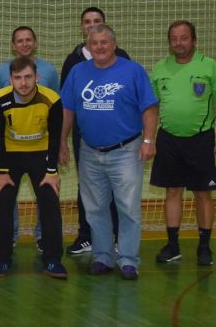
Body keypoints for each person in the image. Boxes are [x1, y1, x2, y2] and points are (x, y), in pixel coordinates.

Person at [60, 24, 158, 280]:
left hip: (126, 151)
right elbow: (67, 109)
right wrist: (61, 142)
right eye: (94, 43)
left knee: (127, 207)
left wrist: (149, 140)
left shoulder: (132, 70)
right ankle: (103, 257)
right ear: (88, 46)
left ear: (114, 44)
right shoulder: (78, 72)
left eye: (105, 42)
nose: (100, 47)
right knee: (94, 209)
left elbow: (149, 107)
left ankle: (128, 260)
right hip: (89, 152)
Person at [150, 20, 216, 267]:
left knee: (202, 193)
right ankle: (173, 246)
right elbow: (152, 107)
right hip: (168, 139)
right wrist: (148, 138)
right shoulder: (160, 68)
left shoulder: (209, 66)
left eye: (184, 37)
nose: (179, 43)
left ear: (193, 40)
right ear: (169, 42)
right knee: (172, 191)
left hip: (201, 139)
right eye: (174, 38)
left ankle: (204, 246)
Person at [60, 7, 131, 256]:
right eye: (87, 22)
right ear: (82, 28)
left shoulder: (122, 57)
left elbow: (130, 95)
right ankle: (86, 236)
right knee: (88, 186)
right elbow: (67, 104)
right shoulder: (73, 61)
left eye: (97, 21)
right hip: (86, 137)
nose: (91, 25)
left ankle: (119, 238)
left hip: (119, 138)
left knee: (118, 188)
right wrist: (63, 140)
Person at [0, 56, 66, 279]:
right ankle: (2, 260)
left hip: (41, 154)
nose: (23, 83)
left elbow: (55, 137)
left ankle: (53, 260)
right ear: (10, 79)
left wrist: (51, 171)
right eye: (18, 78)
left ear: (37, 77)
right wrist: (2, 172)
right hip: (10, 155)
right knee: (3, 203)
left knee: (50, 202)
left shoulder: (52, 99)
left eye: (28, 77)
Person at [0, 26, 60, 93]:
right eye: (20, 41)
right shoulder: (1, 71)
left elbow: (56, 98)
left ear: (35, 43)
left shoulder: (49, 70)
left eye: (28, 40)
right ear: (13, 45)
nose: (25, 44)